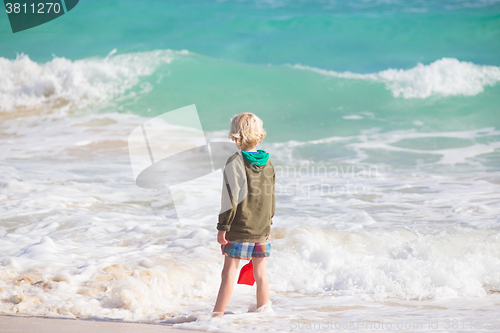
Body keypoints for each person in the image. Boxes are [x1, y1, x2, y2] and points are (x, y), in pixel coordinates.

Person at [212, 112, 275, 317]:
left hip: (239, 227)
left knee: (229, 271)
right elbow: (270, 198)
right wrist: (269, 224)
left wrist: (223, 227)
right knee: (261, 272)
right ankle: (264, 312)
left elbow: (229, 199)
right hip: (262, 227)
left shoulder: (235, 161)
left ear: (236, 136)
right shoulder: (268, 162)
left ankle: (217, 315)